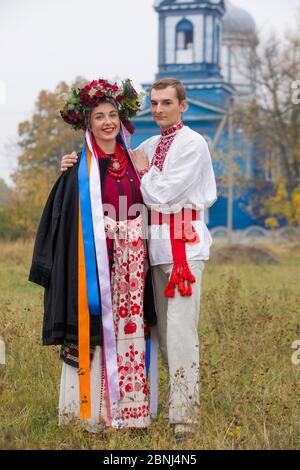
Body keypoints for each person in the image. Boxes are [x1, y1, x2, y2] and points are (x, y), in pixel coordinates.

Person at [60, 77, 217, 441]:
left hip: (183, 250)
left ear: (183, 105)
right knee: (159, 335)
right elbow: (115, 164)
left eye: (167, 102)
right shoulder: (147, 143)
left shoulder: (193, 144)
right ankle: (161, 408)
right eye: (155, 103)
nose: (160, 109)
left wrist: (144, 170)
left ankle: (185, 422)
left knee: (179, 334)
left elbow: (161, 194)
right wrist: (75, 160)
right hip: (151, 251)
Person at [29, 78, 157, 432]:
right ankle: (90, 416)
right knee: (95, 334)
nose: (107, 122)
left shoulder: (134, 159)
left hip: (132, 270)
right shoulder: (78, 169)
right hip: (93, 270)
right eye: (99, 116)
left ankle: (130, 414)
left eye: (112, 114)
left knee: (130, 334)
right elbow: (65, 220)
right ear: (89, 123)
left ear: (121, 119)